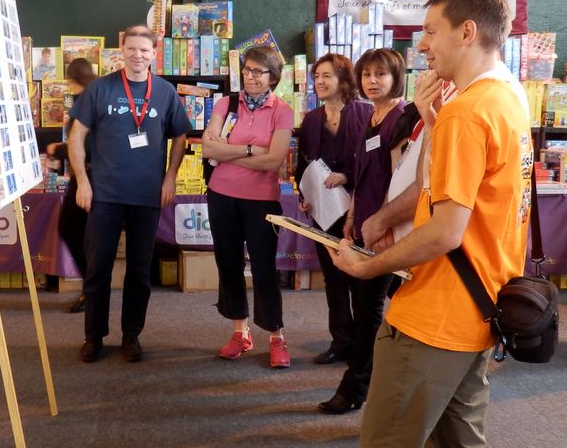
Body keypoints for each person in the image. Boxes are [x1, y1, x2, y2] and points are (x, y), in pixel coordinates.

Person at [331, 0, 532, 448]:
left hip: (435, 315)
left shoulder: (468, 112)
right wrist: (432, 119)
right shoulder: (505, 99)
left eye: (430, 31)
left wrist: (366, 268)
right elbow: (470, 195)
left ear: (466, 32)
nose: (421, 45)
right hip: (480, 307)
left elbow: (446, 231)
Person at [69, 25, 191, 363]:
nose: (138, 55)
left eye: (144, 50)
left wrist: (170, 177)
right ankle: (94, 336)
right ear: (120, 50)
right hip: (105, 196)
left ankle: (131, 335)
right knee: (98, 269)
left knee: (140, 271)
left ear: (154, 54)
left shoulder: (166, 92)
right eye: (132, 49)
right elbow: (76, 136)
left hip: (147, 197)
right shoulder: (100, 90)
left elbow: (180, 137)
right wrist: (82, 181)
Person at [318, 48, 406, 414]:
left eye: (380, 75)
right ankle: (383, 381)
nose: (372, 81)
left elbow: (403, 180)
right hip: (367, 226)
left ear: (395, 78)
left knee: (369, 309)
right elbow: (363, 176)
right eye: (367, 74)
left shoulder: (404, 116)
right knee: (378, 306)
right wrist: (353, 216)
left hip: (391, 231)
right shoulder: (370, 117)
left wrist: (380, 221)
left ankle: (355, 386)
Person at [202, 46, 294, 368]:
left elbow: (275, 159)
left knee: (265, 269)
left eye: (259, 71)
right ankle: (240, 332)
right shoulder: (226, 103)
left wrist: (232, 151)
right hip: (221, 195)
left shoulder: (282, 110)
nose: (251, 77)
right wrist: (253, 149)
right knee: (228, 263)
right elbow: (207, 147)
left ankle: (275, 336)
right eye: (248, 70)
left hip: (261, 201)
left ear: (273, 77)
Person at [296, 53, 371, 365]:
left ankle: (364, 344)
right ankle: (341, 340)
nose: (320, 82)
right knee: (333, 277)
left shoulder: (365, 114)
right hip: (324, 210)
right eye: (317, 76)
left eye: (327, 75)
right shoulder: (312, 120)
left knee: (361, 278)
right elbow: (303, 163)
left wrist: (348, 177)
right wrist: (305, 193)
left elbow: (375, 165)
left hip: (358, 207)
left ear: (343, 79)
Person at [45, 58, 97, 313]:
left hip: (87, 178)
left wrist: (58, 149)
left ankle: (92, 289)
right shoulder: (94, 95)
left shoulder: (84, 101)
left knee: (70, 229)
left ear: (70, 78)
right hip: (90, 176)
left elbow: (84, 146)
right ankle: (92, 288)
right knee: (83, 234)